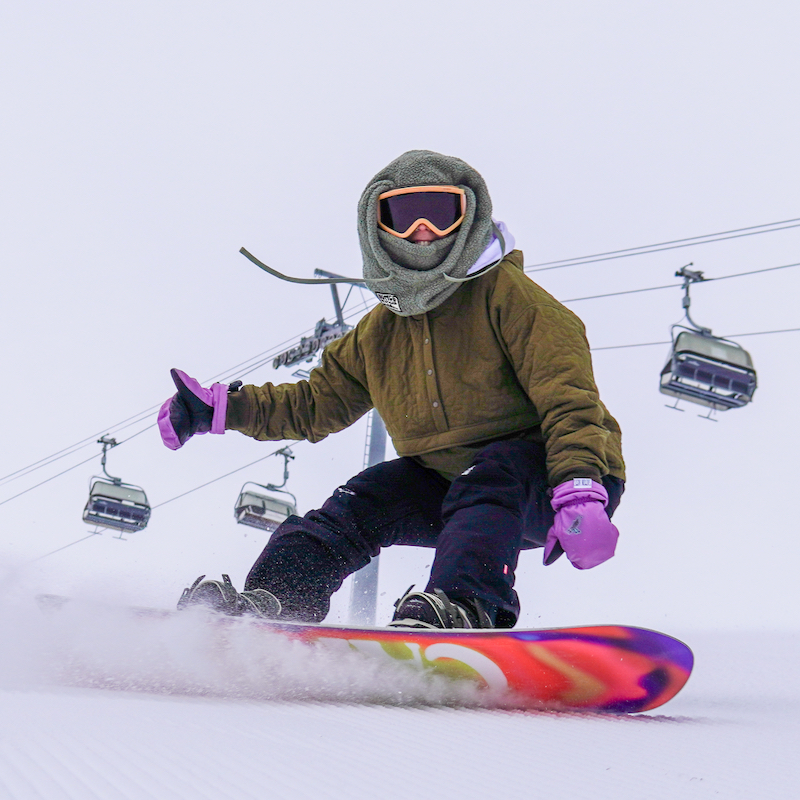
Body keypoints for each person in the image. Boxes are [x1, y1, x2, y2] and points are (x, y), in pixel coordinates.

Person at [159, 150, 625, 630]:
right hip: (448, 482)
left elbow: (570, 403)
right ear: (377, 227)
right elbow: (315, 404)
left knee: (493, 476)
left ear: (469, 218)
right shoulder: (377, 334)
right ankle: (275, 603)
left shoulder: (514, 300)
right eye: (402, 216)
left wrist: (580, 490)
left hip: (554, 477)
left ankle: (466, 605)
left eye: (441, 215)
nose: (422, 230)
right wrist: (219, 410)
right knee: (361, 501)